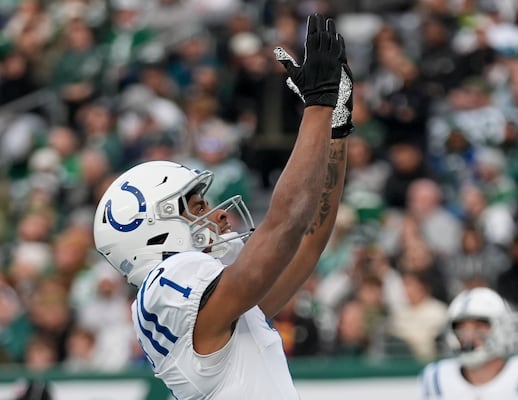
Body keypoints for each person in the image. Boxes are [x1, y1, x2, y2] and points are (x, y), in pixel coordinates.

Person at [93, 13, 353, 400]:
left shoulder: (216, 308)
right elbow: (286, 227)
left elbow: (309, 240)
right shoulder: (166, 287)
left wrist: (335, 125)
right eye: (197, 206)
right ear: (154, 229)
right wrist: (316, 107)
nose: (217, 214)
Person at [420, 287, 518, 400]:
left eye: (480, 325)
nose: (469, 335)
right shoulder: (436, 378)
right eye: (461, 327)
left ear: (503, 328)